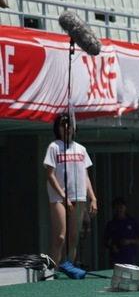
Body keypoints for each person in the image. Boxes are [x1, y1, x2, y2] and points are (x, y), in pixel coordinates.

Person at [43, 113, 98, 279]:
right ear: (57, 128)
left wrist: (93, 198)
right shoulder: (54, 147)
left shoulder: (81, 149)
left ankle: (67, 269)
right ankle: (50, 272)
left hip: (79, 196)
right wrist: (64, 196)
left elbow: (85, 175)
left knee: (74, 238)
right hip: (59, 198)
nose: (66, 128)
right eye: (62, 125)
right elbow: (50, 175)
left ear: (74, 128)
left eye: (69, 125)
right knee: (60, 237)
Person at [103, 197, 139, 267]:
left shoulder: (133, 222)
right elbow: (105, 242)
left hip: (129, 258)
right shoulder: (111, 224)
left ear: (125, 207)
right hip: (115, 259)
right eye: (117, 207)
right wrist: (112, 246)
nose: (119, 209)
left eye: (121, 206)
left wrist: (129, 241)